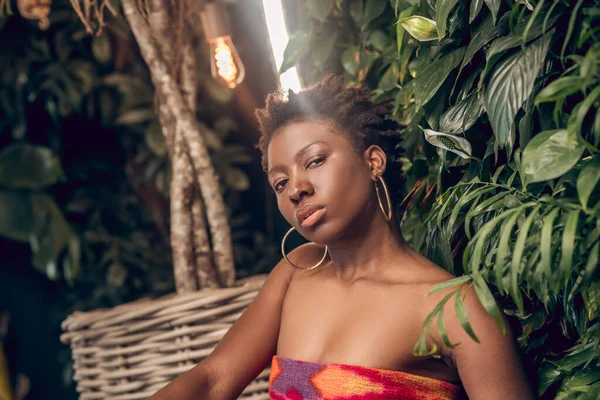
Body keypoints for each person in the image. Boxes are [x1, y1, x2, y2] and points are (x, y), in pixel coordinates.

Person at [150, 76, 534, 399]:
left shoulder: (454, 308)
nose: (295, 189)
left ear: (373, 161)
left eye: (314, 161)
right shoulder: (295, 273)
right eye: (279, 182)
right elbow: (214, 379)